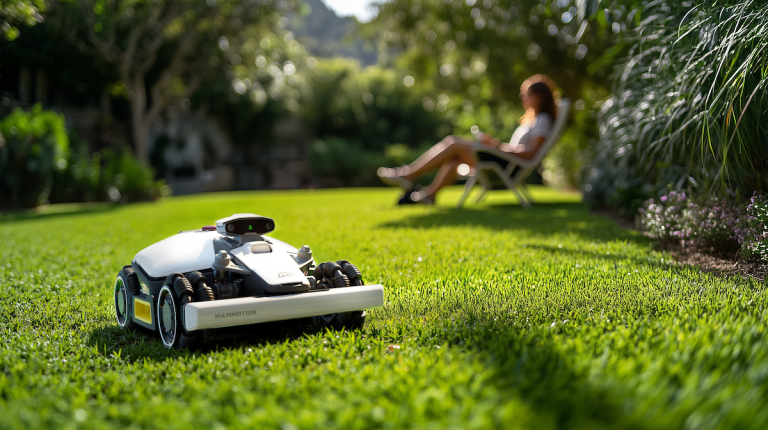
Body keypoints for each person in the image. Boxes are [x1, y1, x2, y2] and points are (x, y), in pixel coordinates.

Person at [378, 75, 559, 205]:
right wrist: (494, 144)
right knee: (455, 158)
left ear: (539, 97)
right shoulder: (533, 120)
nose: (524, 99)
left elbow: (530, 153)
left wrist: (496, 146)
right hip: (505, 161)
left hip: (508, 166)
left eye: (527, 95)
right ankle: (429, 195)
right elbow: (517, 148)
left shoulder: (542, 120)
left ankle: (408, 174)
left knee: (453, 143)